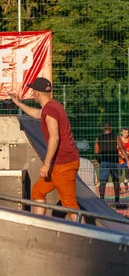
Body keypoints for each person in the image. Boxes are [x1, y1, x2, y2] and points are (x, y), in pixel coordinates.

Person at [8, 77, 81, 221]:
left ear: (38, 93)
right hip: (58, 164)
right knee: (38, 192)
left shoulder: (51, 110)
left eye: (33, 90)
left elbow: (55, 137)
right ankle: (39, 226)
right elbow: (36, 114)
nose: (33, 93)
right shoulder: (53, 106)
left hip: (63, 164)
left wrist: (46, 164)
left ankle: (88, 237)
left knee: (70, 205)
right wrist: (19, 104)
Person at [95, 122, 129, 207]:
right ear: (110, 128)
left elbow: (96, 152)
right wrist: (127, 160)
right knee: (116, 181)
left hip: (104, 162)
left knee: (103, 182)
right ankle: (117, 201)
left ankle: (102, 200)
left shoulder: (98, 138)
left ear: (103, 129)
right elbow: (121, 148)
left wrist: (100, 161)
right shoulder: (115, 137)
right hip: (114, 162)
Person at [118, 127, 129, 191]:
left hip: (127, 159)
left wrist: (127, 154)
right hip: (120, 159)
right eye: (125, 133)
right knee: (119, 173)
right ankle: (118, 185)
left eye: (127, 132)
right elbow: (118, 148)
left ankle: (125, 182)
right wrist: (121, 154)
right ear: (121, 133)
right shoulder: (119, 139)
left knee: (128, 172)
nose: (126, 134)